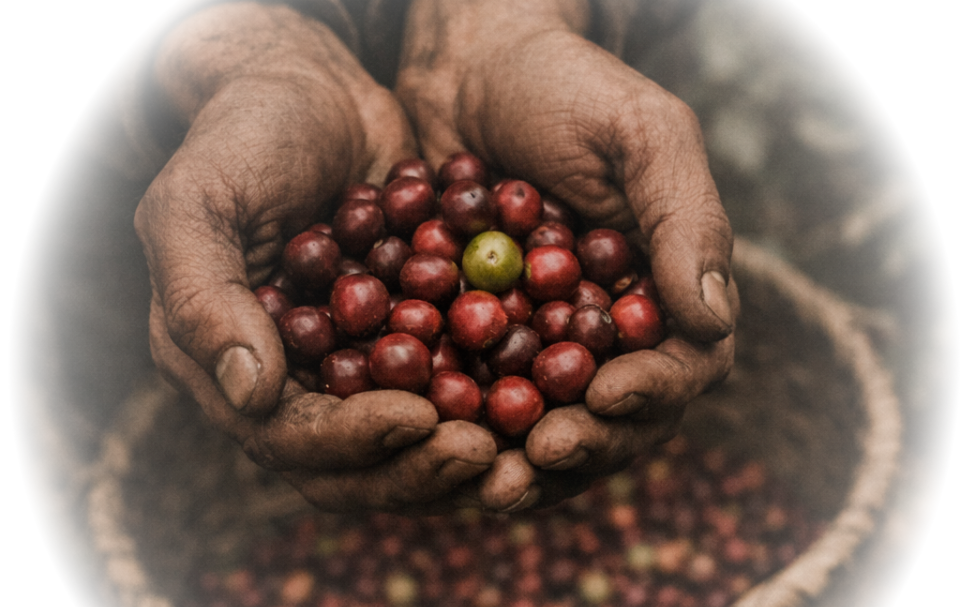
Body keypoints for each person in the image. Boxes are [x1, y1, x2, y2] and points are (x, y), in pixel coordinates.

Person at [14, 0, 736, 515]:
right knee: (125, 430)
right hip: (144, 141)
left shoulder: (481, 270)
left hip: (562, 73)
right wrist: (203, 39)